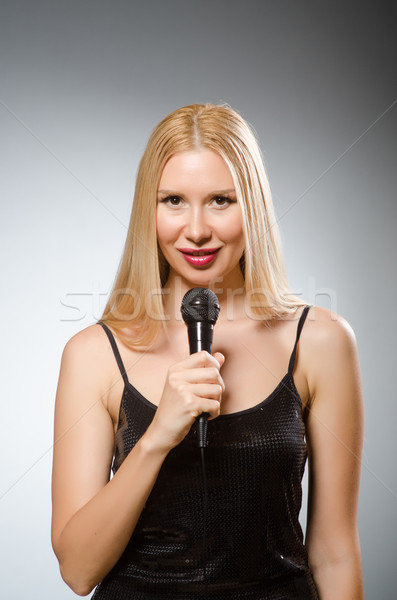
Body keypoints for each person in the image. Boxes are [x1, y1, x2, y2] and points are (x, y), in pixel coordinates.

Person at [51, 103, 364, 599]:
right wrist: (157, 436)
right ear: (147, 211)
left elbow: (335, 551)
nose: (196, 229)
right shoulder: (93, 354)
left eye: (221, 200)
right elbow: (78, 570)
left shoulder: (320, 342)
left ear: (253, 206)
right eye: (173, 200)